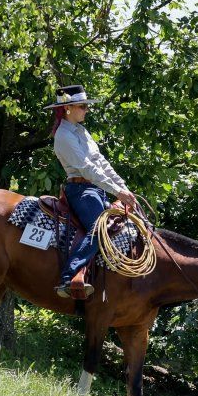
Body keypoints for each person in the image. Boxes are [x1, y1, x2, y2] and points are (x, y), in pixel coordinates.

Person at [44, 85, 138, 298]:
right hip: (80, 190)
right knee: (100, 230)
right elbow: (87, 168)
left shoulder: (80, 131)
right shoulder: (64, 136)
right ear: (67, 108)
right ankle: (68, 277)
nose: (87, 110)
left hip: (94, 188)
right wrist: (117, 191)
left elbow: (101, 162)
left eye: (86, 106)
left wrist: (123, 188)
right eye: (83, 106)